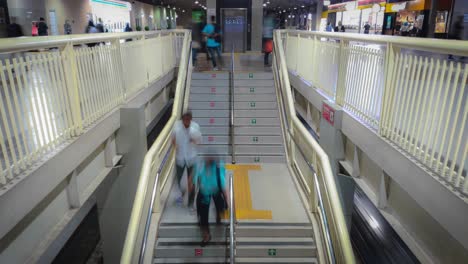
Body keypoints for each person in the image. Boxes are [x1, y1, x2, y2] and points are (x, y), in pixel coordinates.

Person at [193, 155, 229, 246]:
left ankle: (218, 217)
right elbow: (195, 177)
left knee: (219, 207)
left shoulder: (218, 166)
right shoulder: (200, 165)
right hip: (204, 193)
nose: (208, 158)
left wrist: (227, 200)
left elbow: (223, 185)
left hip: (216, 190)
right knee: (203, 216)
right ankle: (206, 235)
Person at [172, 111, 201, 210]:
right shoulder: (177, 128)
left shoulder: (195, 127)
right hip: (180, 158)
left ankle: (191, 203)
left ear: (191, 119)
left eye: (189, 120)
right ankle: (182, 191)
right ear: (182, 119)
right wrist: (175, 146)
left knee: (191, 182)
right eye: (185, 120)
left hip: (192, 158)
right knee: (179, 181)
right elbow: (173, 140)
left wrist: (194, 141)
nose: (187, 122)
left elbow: (199, 141)